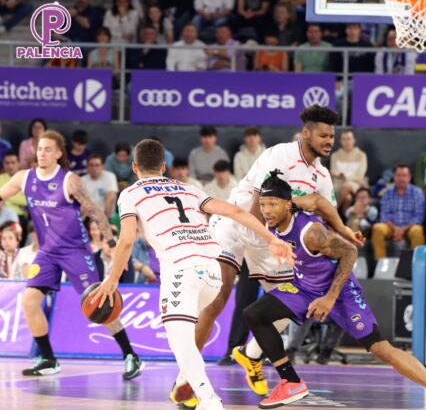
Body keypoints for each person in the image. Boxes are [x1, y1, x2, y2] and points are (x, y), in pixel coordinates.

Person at [172, 106, 364, 405]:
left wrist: (345, 232)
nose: (329, 141)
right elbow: (257, 207)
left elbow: (327, 212)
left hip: (272, 242)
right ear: (306, 133)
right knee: (218, 296)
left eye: (332, 136)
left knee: (294, 304)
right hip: (236, 224)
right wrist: (270, 240)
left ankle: (250, 355)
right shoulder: (279, 156)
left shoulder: (322, 176)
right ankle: (187, 378)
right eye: (323, 135)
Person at [90, 139, 295, 410]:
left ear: (135, 167)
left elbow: (127, 239)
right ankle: (183, 382)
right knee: (186, 337)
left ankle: (209, 400)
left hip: (181, 270)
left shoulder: (130, 193)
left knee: (180, 340)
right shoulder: (189, 189)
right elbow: (235, 211)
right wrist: (271, 238)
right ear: (164, 167)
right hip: (212, 272)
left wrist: (112, 279)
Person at [244, 170, 426, 409]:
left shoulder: (312, 234)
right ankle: (291, 381)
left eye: (272, 204)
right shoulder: (275, 216)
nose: (266, 210)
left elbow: (350, 251)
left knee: (381, 350)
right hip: (304, 286)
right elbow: (317, 200)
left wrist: (330, 297)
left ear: (287, 204)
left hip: (340, 292)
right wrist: (343, 227)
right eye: (263, 204)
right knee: (255, 314)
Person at [0, 130, 143, 378]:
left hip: (74, 251)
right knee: (30, 300)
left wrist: (110, 241)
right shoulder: (24, 177)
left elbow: (94, 210)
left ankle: (130, 355)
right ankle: (48, 359)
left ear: (58, 153)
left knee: (98, 304)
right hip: (46, 252)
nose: (42, 153)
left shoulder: (69, 181)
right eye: (39, 149)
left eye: (47, 149)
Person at [371, 164, 426, 260]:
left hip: (409, 227)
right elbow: (384, 215)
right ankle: (381, 262)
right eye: (398, 175)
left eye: (404, 175)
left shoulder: (417, 192)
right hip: (391, 227)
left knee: (418, 230)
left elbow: (418, 216)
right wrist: (395, 229)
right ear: (394, 177)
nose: (401, 178)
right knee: (378, 228)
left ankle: (416, 264)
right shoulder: (387, 192)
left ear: (409, 177)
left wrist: (403, 229)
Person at [82, 153, 119, 218]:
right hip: (89, 218)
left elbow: (110, 198)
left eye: (97, 165)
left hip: (107, 217)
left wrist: (104, 219)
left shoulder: (110, 176)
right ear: (87, 167)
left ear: (102, 166)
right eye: (91, 165)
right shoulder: (82, 180)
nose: (94, 168)